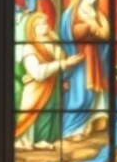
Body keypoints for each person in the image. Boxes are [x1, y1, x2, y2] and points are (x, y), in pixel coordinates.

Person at [15, 14, 82, 150]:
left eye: (45, 22)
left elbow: (62, 61)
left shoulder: (52, 44)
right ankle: (31, 141)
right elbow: (37, 73)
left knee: (50, 114)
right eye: (38, 24)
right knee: (35, 115)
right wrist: (63, 63)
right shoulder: (30, 48)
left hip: (53, 88)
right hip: (36, 90)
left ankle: (44, 140)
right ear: (32, 29)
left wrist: (65, 63)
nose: (43, 26)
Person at [61, 0, 110, 140]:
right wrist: (86, 27)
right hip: (78, 56)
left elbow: (106, 34)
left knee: (93, 93)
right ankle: (71, 129)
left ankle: (88, 124)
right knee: (80, 94)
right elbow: (67, 34)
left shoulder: (98, 14)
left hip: (95, 56)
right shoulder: (71, 13)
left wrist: (94, 27)